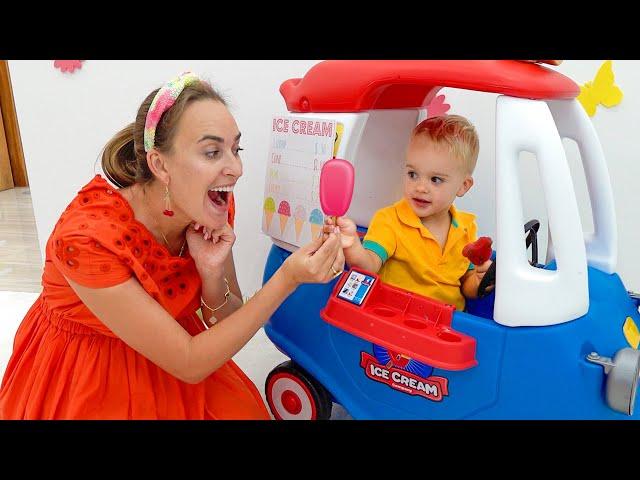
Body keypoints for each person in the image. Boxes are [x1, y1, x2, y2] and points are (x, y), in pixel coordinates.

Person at [0, 71, 345, 419]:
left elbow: (227, 318)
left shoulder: (209, 207)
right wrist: (287, 278)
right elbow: (190, 362)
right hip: (88, 368)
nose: (236, 168)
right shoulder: (86, 239)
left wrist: (211, 273)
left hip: (178, 349)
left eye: (235, 149)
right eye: (213, 152)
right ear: (159, 164)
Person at [326, 114, 489, 312]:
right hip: (397, 321)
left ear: (463, 186)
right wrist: (352, 245)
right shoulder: (389, 220)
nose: (420, 187)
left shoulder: (466, 228)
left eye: (435, 179)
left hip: (448, 327)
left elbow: (466, 287)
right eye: (413, 174)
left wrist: (480, 279)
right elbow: (369, 266)